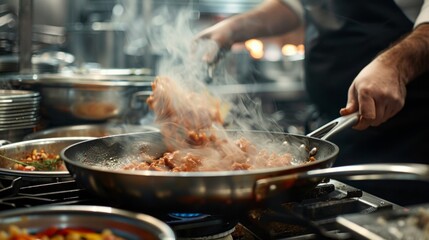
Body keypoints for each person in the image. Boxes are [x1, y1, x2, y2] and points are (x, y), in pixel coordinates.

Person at [196, 0, 429, 206]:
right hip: (331, 124)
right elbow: (296, 5)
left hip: (403, 136)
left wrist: (395, 66)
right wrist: (233, 28)